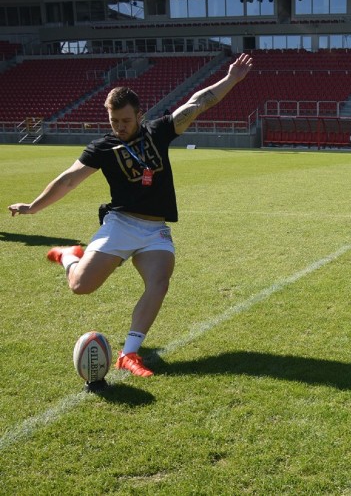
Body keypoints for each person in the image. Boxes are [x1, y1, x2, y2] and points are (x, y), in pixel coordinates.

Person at [7, 53, 254, 377]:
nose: (120, 127)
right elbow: (68, 180)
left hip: (155, 230)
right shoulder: (102, 148)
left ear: (139, 114)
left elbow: (198, 102)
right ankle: (69, 257)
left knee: (159, 281)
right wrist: (33, 206)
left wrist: (231, 79)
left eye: (125, 120)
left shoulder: (158, 132)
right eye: (114, 121)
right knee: (80, 287)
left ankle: (130, 353)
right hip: (120, 224)